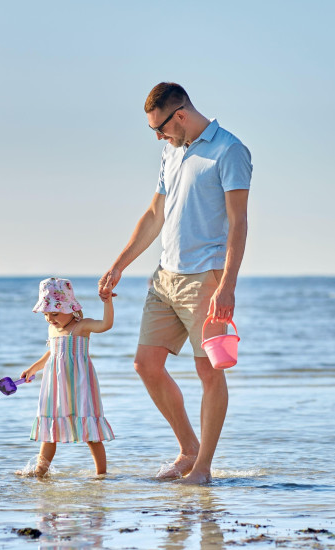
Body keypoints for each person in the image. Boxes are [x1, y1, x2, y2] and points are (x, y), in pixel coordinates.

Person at [98, 82, 252, 485]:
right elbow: (154, 214)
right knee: (146, 365)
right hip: (164, 277)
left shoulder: (229, 151)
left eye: (160, 129)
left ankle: (203, 468)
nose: (158, 137)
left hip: (206, 278)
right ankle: (188, 449)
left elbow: (239, 223)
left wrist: (228, 286)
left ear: (179, 115)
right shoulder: (172, 151)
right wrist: (119, 265)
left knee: (209, 374)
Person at [18, 277, 115, 477]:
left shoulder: (82, 326)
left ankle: (101, 475)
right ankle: (39, 472)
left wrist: (108, 303)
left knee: (91, 431)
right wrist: (33, 368)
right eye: (46, 314)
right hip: (55, 385)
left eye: (54, 313)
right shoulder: (52, 329)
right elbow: (51, 354)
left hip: (81, 384)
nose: (50, 318)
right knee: (49, 431)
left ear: (71, 308)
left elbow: (106, 324)